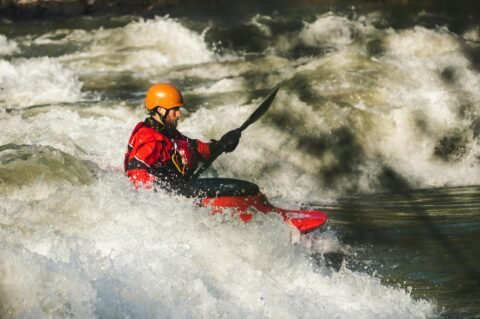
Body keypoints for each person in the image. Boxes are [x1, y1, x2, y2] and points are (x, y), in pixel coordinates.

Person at [124, 83, 240, 194]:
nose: (178, 115)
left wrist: (220, 145)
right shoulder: (151, 139)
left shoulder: (166, 131)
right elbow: (136, 173)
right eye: (175, 109)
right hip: (168, 200)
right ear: (160, 110)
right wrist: (168, 193)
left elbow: (194, 148)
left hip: (181, 190)